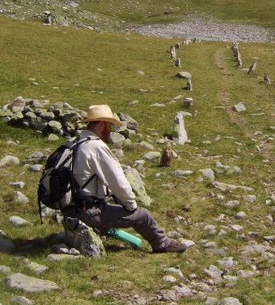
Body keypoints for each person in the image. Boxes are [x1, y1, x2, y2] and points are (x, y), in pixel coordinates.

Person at [62, 104, 187, 253]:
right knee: (143, 216)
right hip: (89, 211)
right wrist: (131, 207)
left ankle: (100, 229)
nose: (111, 131)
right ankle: (162, 244)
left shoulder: (77, 142)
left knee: (113, 207)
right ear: (102, 124)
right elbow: (119, 183)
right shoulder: (96, 147)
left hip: (71, 207)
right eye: (109, 126)